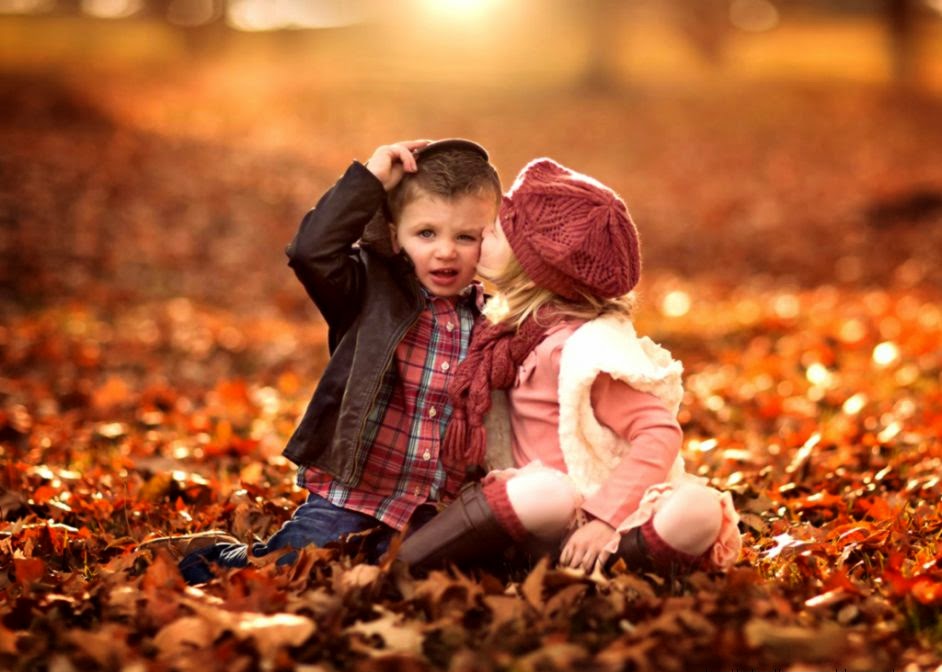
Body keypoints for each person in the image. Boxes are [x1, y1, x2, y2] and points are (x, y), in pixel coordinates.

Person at [175, 139, 502, 584]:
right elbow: (311, 252)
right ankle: (212, 558)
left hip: (429, 509)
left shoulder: (494, 320)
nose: (446, 251)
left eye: (466, 236)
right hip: (351, 497)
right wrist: (369, 180)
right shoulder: (368, 291)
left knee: (419, 579)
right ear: (394, 233)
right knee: (290, 571)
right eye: (426, 233)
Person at [396, 158, 742, 575]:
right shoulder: (508, 334)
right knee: (546, 495)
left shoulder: (582, 351)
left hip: (605, 510)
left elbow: (658, 432)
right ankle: (407, 562)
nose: (483, 232)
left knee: (698, 509)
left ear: (534, 266)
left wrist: (602, 519)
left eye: (497, 229)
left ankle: (611, 562)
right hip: (540, 512)